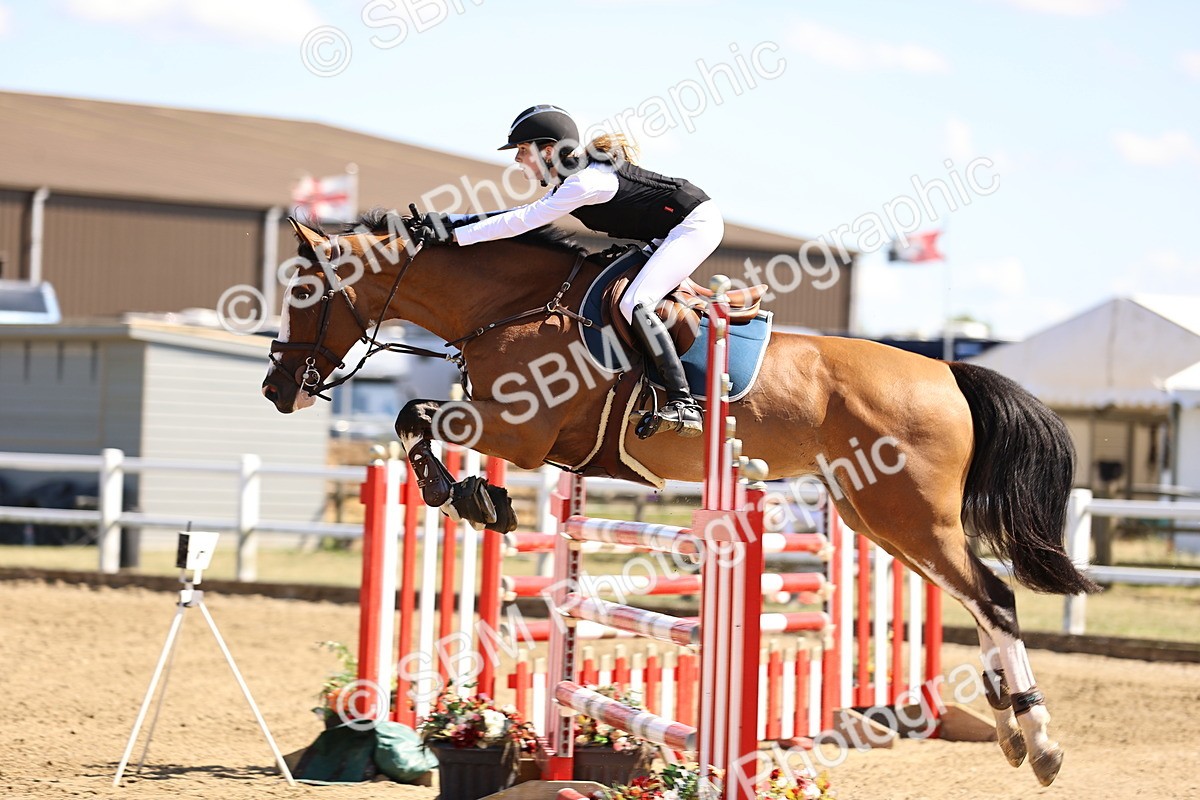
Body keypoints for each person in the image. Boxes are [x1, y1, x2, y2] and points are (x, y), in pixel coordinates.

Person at [422, 104, 724, 438]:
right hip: (667, 230)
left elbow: (523, 222)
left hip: (694, 225)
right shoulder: (573, 178)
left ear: (548, 151)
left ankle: (684, 403)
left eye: (522, 150)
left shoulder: (584, 182)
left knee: (634, 302)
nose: (517, 159)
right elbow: (518, 213)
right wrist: (448, 221)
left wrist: (455, 236)